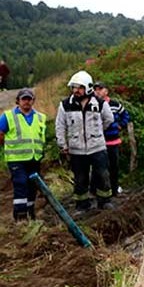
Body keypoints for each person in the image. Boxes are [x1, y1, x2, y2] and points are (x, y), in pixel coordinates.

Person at [55, 70, 114, 212]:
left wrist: (97, 133)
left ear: (87, 87)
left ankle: (104, 201)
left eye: (79, 87)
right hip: (76, 149)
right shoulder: (65, 105)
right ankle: (82, 204)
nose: (76, 90)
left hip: (97, 147)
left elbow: (109, 119)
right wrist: (63, 144)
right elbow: (60, 125)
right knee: (80, 178)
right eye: (74, 87)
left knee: (103, 175)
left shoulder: (99, 104)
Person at [0, 88, 47, 220]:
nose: (26, 102)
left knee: (33, 186)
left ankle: (30, 211)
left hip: (34, 158)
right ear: (18, 101)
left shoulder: (40, 117)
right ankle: (20, 215)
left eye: (29, 99)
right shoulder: (8, 116)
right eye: (24, 99)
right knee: (21, 183)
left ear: (33, 101)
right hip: (16, 158)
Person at [92, 82, 131, 196]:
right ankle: (95, 191)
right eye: (96, 89)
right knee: (98, 168)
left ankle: (114, 189)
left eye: (100, 89)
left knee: (114, 167)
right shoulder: (93, 105)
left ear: (106, 91)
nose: (98, 91)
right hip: (98, 142)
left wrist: (121, 125)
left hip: (113, 141)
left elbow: (126, 115)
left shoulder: (115, 104)